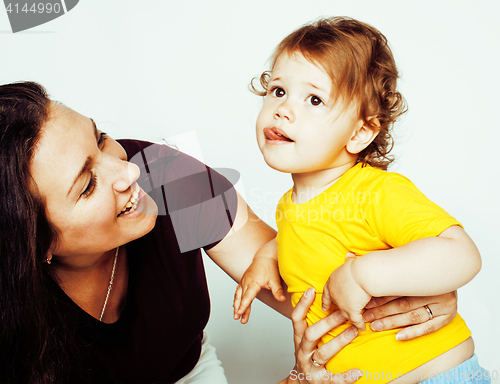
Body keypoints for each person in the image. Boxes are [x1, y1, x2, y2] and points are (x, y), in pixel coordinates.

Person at [0, 81, 460, 384]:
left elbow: (300, 278)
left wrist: (407, 282)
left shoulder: (161, 172)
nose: (126, 172)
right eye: (87, 185)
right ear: (32, 245)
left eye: (100, 138)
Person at [234, 17, 490, 383]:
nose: (283, 109)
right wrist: (266, 256)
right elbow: (309, 237)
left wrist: (362, 273)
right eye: (277, 91)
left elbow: (463, 254)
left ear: (360, 132)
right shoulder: (290, 205)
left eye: (314, 99)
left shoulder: (376, 193)